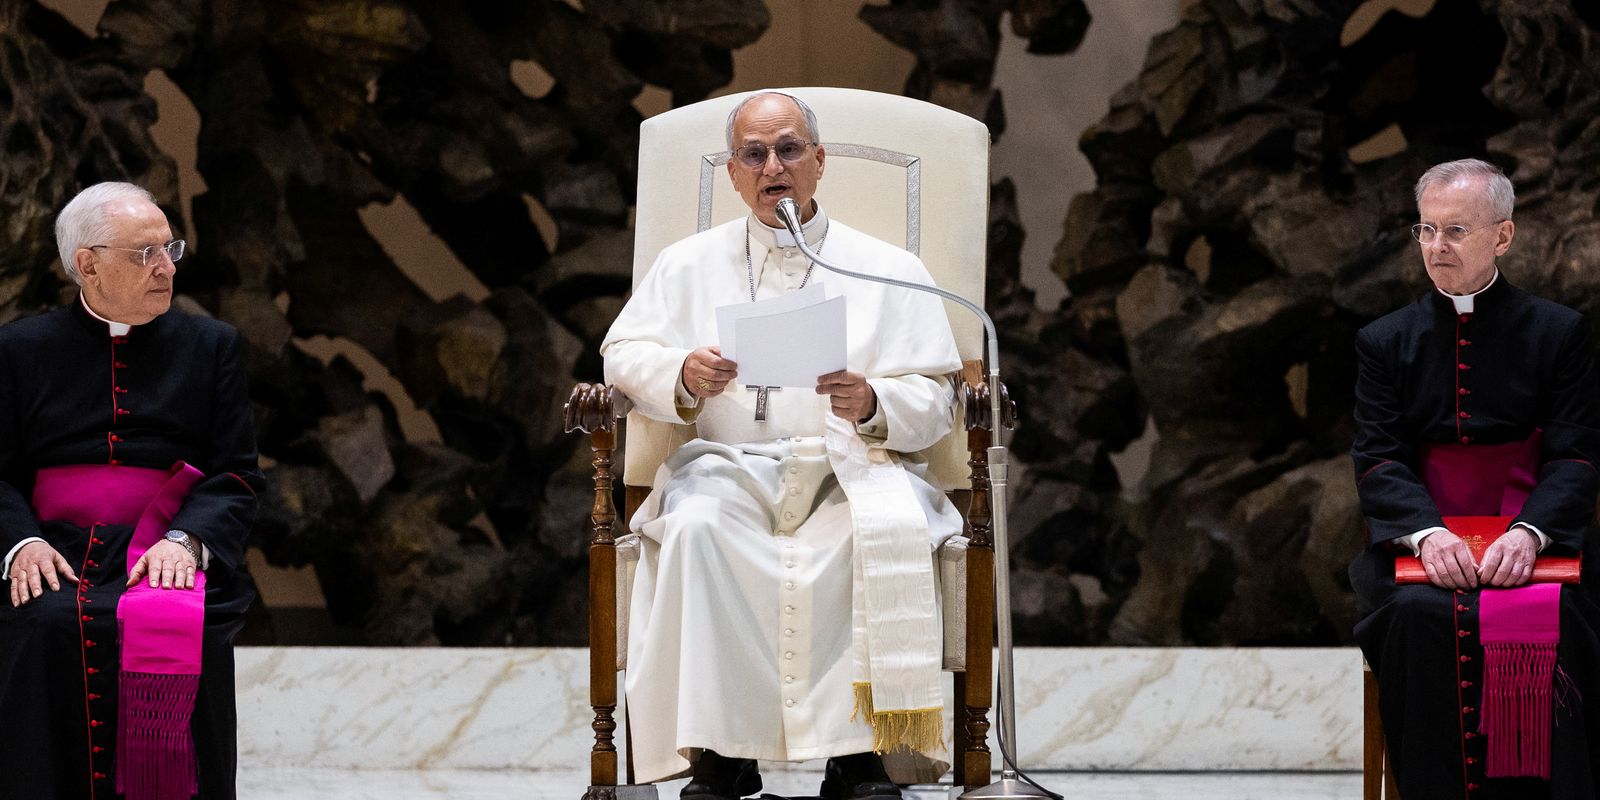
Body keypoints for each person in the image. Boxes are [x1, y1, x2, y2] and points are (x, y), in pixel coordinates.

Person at [601, 91, 963, 799]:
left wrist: (873, 403)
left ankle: (861, 758)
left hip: (848, 468)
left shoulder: (883, 268)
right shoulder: (686, 264)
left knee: (867, 535)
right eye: (755, 154)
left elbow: (939, 396)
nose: (774, 167)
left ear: (819, 161)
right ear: (734, 173)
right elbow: (622, 355)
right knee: (698, 530)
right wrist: (682, 373)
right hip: (725, 470)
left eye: (790, 150)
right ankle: (718, 755)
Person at [0, 182, 262, 800]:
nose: (166, 266)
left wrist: (187, 539)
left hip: (165, 549)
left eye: (170, 248)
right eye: (146, 253)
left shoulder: (212, 346)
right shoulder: (17, 349)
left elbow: (236, 473)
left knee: (180, 621)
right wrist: (21, 543)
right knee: (45, 622)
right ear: (87, 264)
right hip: (54, 547)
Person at [1351, 158, 1600, 799]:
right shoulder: (1384, 341)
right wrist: (1427, 535)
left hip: (1537, 536)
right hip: (1424, 545)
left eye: (1456, 231)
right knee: (1413, 616)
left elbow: (1576, 455)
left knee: (1564, 614)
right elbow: (1378, 458)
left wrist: (1531, 533)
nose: (1436, 246)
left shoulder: (1560, 333)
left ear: (1503, 235)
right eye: (1426, 229)